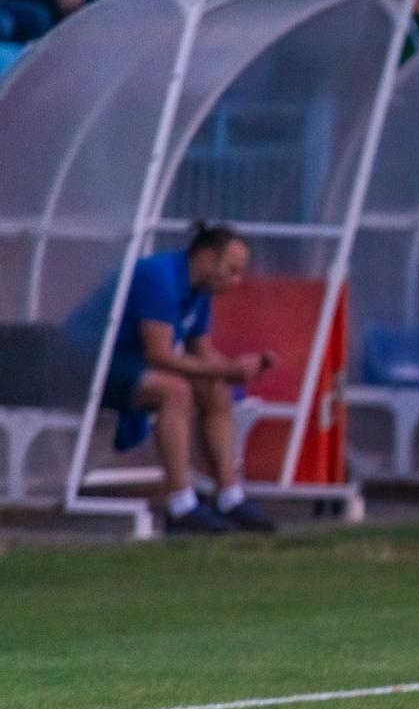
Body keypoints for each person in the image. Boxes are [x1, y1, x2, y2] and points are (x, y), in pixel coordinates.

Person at [70, 223, 277, 533]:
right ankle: (181, 505)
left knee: (215, 389)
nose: (237, 281)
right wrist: (229, 369)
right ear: (207, 258)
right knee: (174, 390)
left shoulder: (200, 290)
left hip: (126, 364)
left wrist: (239, 369)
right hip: (86, 364)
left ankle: (230, 497)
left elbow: (202, 353)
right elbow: (159, 355)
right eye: (232, 271)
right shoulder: (159, 276)